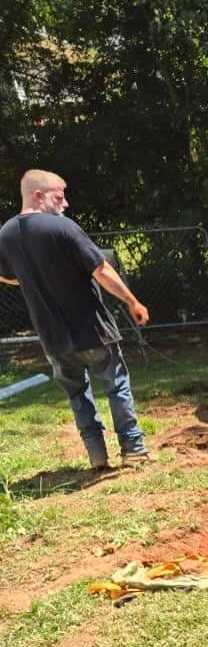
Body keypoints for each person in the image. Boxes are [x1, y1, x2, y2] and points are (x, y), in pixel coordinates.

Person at [0, 169, 151, 471]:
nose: (66, 203)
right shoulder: (62, 228)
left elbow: (6, 276)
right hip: (92, 330)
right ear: (39, 196)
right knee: (116, 385)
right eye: (60, 196)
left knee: (77, 393)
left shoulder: (5, 234)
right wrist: (132, 301)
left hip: (52, 338)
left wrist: (35, 279)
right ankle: (133, 450)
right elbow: (102, 271)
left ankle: (96, 456)